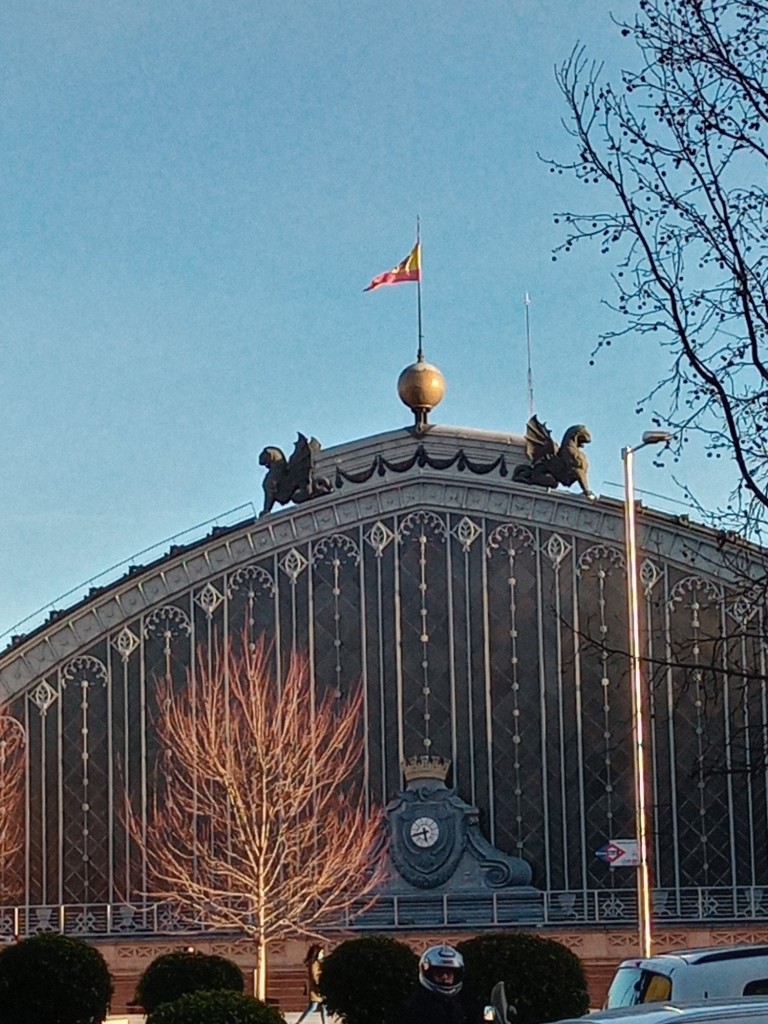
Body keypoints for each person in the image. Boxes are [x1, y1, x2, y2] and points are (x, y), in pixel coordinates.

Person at [404, 944, 467, 1024]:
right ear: (429, 973)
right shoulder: (419, 1005)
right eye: (439, 972)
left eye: (449, 973)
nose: (444, 977)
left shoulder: (463, 1002)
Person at [296, 943, 327, 1023]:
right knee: (313, 1007)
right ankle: (299, 1022)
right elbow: (314, 976)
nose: (322, 955)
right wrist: (319, 984)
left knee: (323, 1007)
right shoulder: (314, 964)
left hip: (318, 987)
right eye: (321, 953)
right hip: (316, 988)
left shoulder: (317, 963)